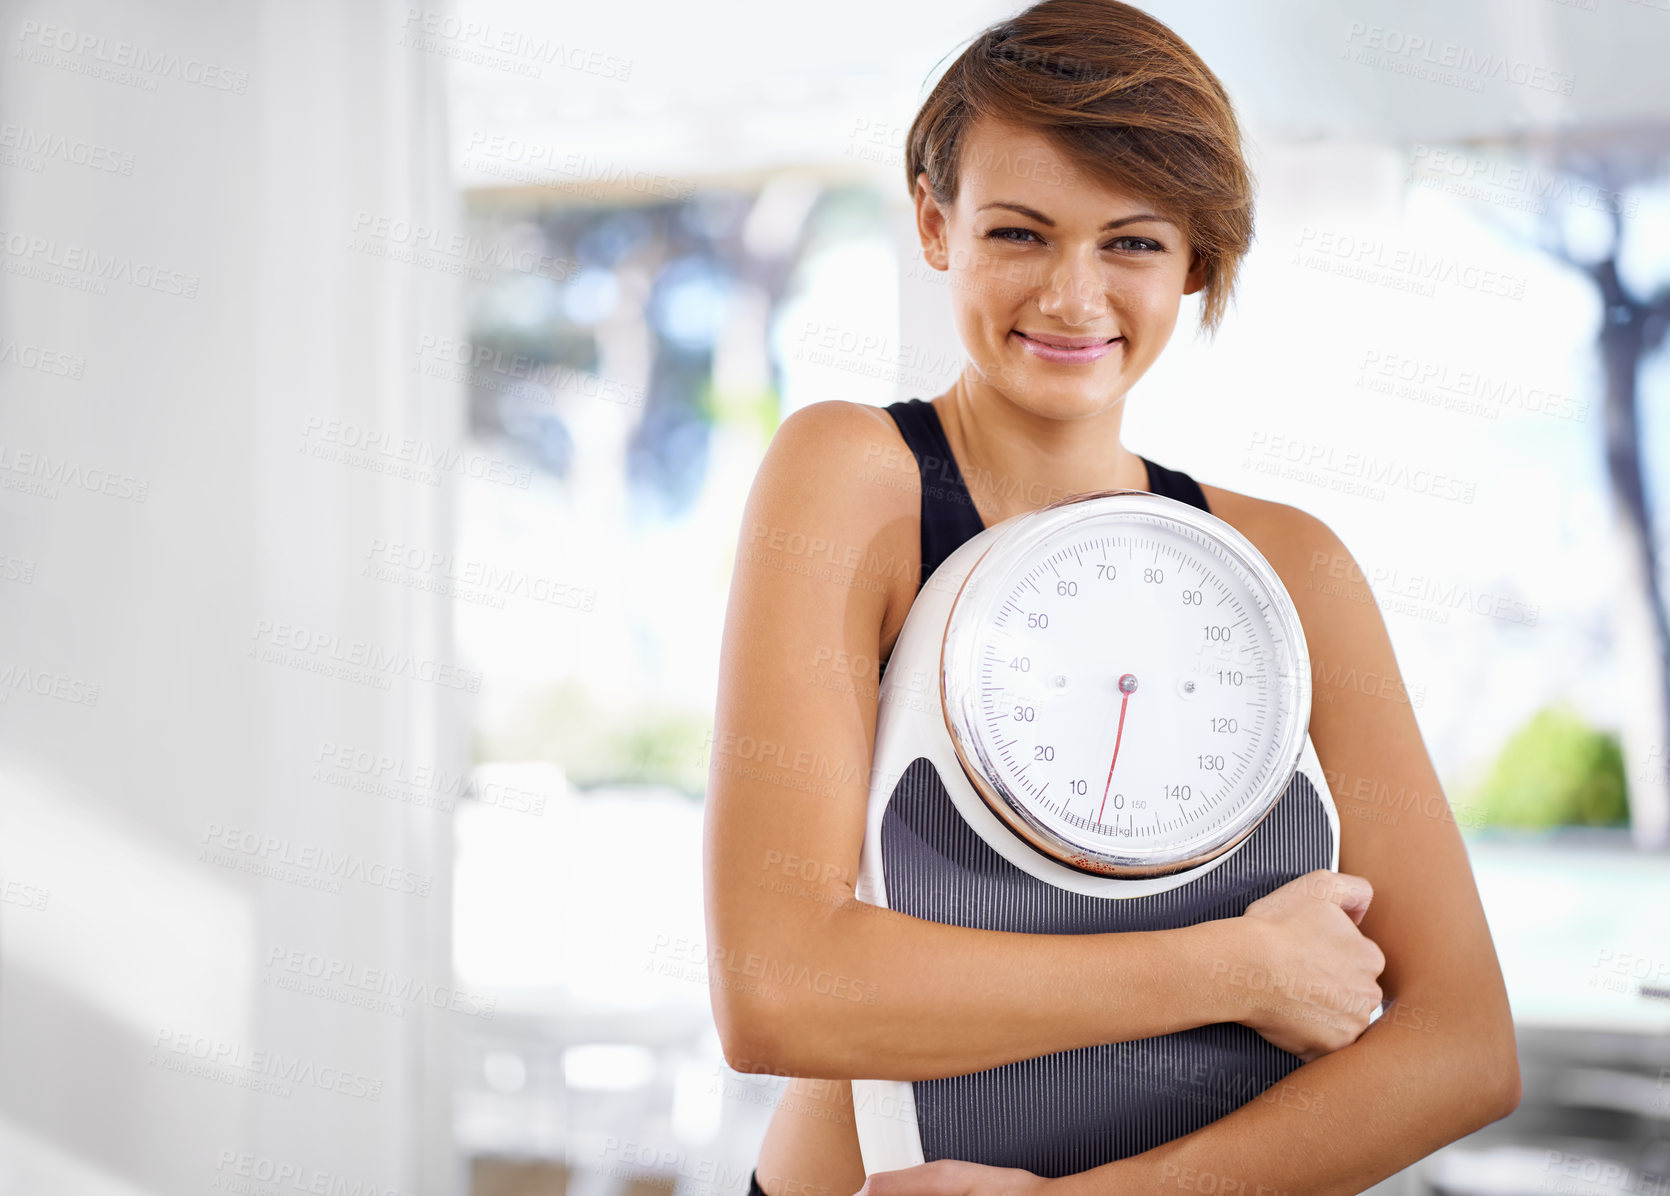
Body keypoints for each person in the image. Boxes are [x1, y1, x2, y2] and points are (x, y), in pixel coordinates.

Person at [701, 2, 1521, 1194]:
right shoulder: (856, 479)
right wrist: (1243, 969)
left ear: (1198, 255)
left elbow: (1460, 1044)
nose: (1072, 298)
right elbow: (777, 991)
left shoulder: (1289, 568)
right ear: (936, 226)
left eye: (1130, 242)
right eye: (1019, 233)